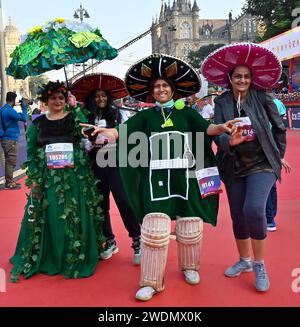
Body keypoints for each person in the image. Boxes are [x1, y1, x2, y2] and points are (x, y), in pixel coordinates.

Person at [81, 53, 238, 301]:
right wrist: (104, 131)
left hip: (186, 179)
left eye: (165, 86)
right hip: (155, 183)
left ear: (173, 90)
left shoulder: (186, 113)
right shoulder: (145, 116)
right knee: (154, 230)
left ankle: (190, 267)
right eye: (157, 86)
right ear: (151, 91)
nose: (161, 89)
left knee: (190, 225)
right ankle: (151, 281)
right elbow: (122, 131)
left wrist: (222, 127)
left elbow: (206, 129)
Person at [202, 42, 291, 292]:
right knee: (238, 216)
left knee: (253, 209)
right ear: (229, 78)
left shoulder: (263, 97)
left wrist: (277, 156)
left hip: (262, 164)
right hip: (232, 165)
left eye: (246, 76)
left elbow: (279, 129)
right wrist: (228, 141)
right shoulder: (221, 103)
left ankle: (260, 263)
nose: (242, 80)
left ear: (252, 79)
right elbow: (216, 133)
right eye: (238, 76)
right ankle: (244, 261)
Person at [10, 81, 105, 282]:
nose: (58, 102)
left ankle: (75, 253)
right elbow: (33, 152)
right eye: (53, 98)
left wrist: (75, 107)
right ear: (46, 100)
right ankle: (53, 254)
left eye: (61, 98)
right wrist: (35, 177)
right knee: (52, 214)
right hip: (48, 179)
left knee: (74, 215)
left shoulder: (74, 118)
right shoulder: (37, 123)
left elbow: (86, 132)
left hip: (74, 177)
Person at [70, 73, 141, 265]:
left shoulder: (120, 114)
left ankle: (137, 240)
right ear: (92, 99)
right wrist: (88, 143)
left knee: (124, 201)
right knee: (102, 205)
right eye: (97, 96)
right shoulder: (86, 117)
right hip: (96, 164)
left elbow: (129, 135)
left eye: (103, 95)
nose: (100, 99)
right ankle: (109, 240)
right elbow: (81, 139)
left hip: (116, 162)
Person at [266, 98, 291, 231]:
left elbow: (280, 128)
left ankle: (269, 218)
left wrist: (278, 154)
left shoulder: (277, 103)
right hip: (258, 146)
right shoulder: (250, 99)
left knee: (270, 184)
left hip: (271, 148)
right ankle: (268, 217)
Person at [0, 92, 27, 189]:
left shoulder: (3, 109)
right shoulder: (9, 110)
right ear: (14, 100)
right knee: (11, 162)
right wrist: (24, 107)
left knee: (9, 161)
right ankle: (9, 183)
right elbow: (24, 118)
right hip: (10, 139)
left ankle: (9, 181)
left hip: (6, 139)